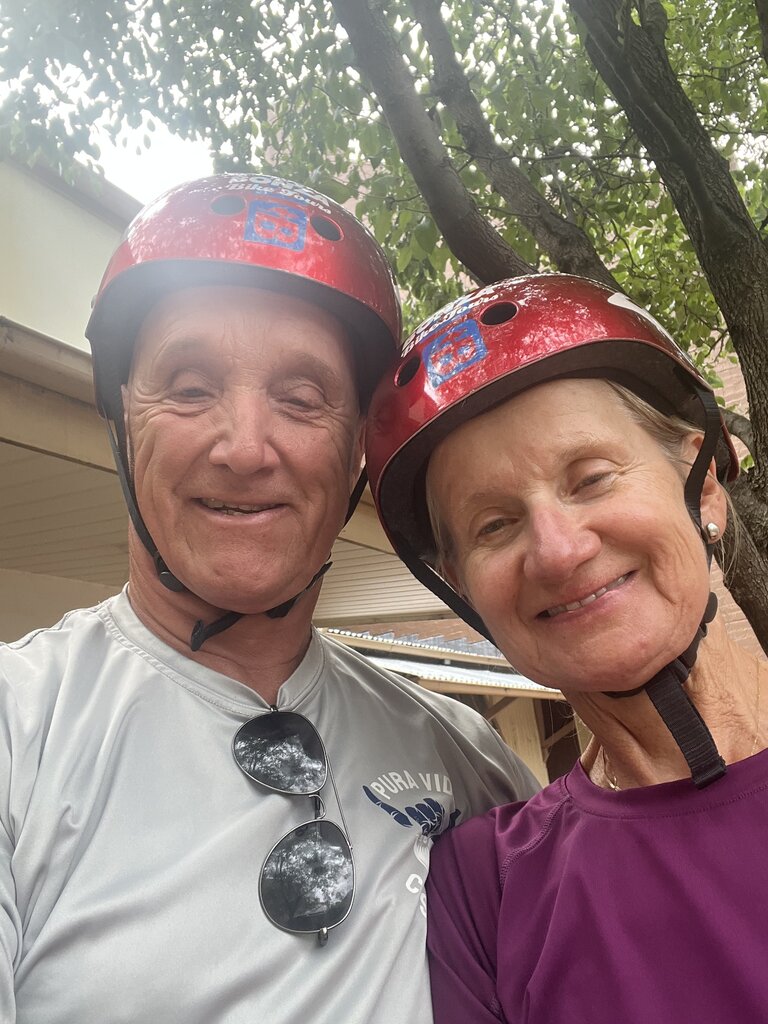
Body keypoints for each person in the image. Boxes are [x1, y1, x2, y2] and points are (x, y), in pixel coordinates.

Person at [0, 175, 539, 1024]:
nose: (246, 448)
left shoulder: (468, 759)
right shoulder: (17, 728)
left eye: (301, 398)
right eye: (189, 387)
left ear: (356, 451)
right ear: (123, 419)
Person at [366, 272, 768, 1023]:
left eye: (591, 479)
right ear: (464, 589)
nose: (557, 551)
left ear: (706, 484)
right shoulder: (483, 890)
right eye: (494, 525)